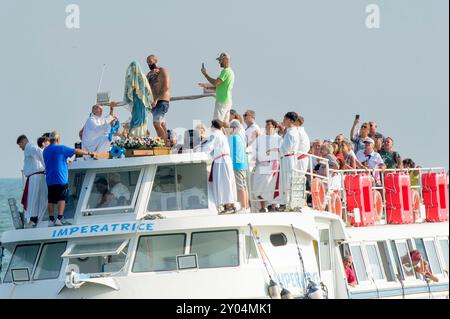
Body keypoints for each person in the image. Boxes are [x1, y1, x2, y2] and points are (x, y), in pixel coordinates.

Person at [43, 131, 97, 226]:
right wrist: (89, 153)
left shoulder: (46, 150)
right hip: (60, 178)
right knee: (62, 199)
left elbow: (55, 159)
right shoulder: (61, 148)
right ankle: (59, 219)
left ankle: (51, 220)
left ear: (50, 140)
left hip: (50, 179)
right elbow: (76, 151)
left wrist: (65, 159)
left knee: (51, 200)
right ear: (58, 139)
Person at [201, 120, 237, 214]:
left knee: (224, 183)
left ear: (212, 126)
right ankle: (231, 205)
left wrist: (200, 148)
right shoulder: (221, 134)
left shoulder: (214, 134)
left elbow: (208, 148)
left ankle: (229, 206)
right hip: (225, 160)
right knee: (228, 182)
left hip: (221, 161)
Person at [17, 135, 47, 228]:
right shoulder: (29, 148)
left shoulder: (30, 147)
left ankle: (33, 220)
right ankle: (35, 219)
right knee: (35, 198)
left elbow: (40, 153)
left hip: (35, 176)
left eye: (20, 145)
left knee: (33, 198)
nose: (20, 147)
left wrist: (46, 166)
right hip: (35, 176)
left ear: (23, 141)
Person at [252, 119, 282, 212]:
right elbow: (253, 149)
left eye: (269, 125)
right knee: (257, 187)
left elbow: (280, 150)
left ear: (274, 127)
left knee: (270, 186)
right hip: (261, 165)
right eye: (266, 125)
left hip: (272, 164)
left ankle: (272, 206)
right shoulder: (261, 138)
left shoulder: (279, 138)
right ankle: (262, 206)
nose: (267, 127)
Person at [199, 53, 235, 124]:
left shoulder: (225, 71)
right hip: (227, 101)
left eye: (220, 60)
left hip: (222, 101)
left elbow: (216, 83)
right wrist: (207, 87)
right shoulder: (231, 72)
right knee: (224, 124)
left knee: (216, 123)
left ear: (225, 60)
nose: (219, 62)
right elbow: (219, 87)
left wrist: (205, 74)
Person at [276, 112, 300, 210]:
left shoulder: (291, 133)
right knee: (286, 180)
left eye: (285, 119)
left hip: (288, 158)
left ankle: (289, 203)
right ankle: (287, 202)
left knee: (288, 180)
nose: (283, 121)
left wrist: (278, 150)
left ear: (290, 120)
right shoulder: (290, 131)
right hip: (287, 158)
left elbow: (286, 148)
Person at [146, 54, 171, 146]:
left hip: (161, 100)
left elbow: (166, 86)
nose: (149, 64)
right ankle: (167, 144)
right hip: (153, 103)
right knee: (162, 124)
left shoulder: (162, 71)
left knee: (156, 124)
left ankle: (164, 145)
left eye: (150, 61)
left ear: (156, 61)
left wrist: (156, 99)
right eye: (147, 62)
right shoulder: (149, 74)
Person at [228, 120, 249, 212]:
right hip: (243, 164)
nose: (229, 129)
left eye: (231, 128)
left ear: (235, 128)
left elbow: (232, 153)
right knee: (244, 186)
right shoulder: (241, 137)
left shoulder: (234, 137)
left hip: (237, 164)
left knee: (240, 186)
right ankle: (246, 206)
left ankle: (243, 207)